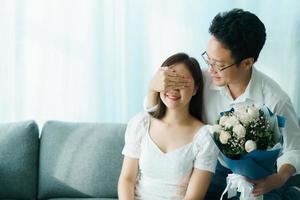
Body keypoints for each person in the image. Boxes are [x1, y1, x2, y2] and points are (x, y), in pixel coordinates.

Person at [144, 9, 300, 199]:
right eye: (208, 59)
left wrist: (277, 179)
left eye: (218, 65)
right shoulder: (200, 80)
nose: (210, 70)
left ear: (247, 63)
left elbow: (294, 149)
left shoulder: (275, 99)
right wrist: (153, 87)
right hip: (211, 169)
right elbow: (157, 112)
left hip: (258, 176)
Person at [118, 53, 219, 200]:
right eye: (170, 80)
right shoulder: (141, 123)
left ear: (196, 88)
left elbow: (193, 198)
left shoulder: (205, 138)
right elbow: (127, 179)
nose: (174, 88)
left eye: (182, 82)